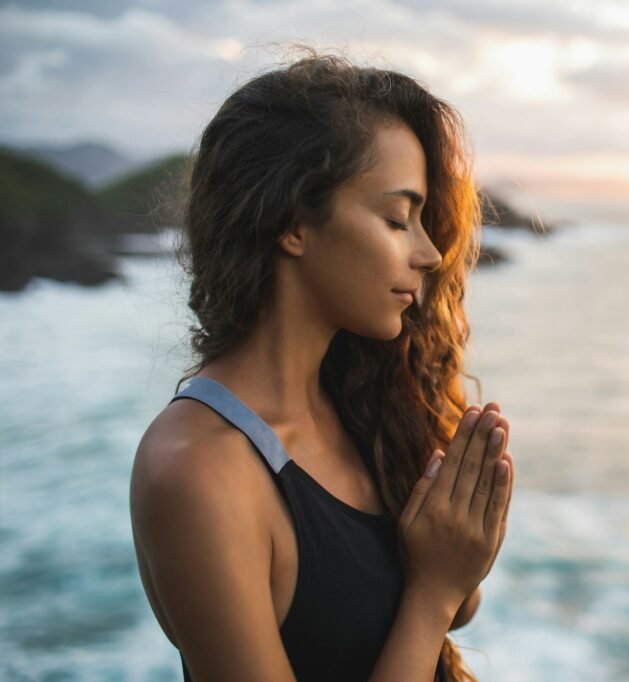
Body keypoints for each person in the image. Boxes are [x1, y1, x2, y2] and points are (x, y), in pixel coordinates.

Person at [129, 50, 515, 682]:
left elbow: (455, 606)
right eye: (397, 218)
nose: (429, 251)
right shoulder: (199, 472)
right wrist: (433, 592)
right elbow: (435, 603)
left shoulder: (364, 396)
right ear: (293, 223)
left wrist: (460, 545)